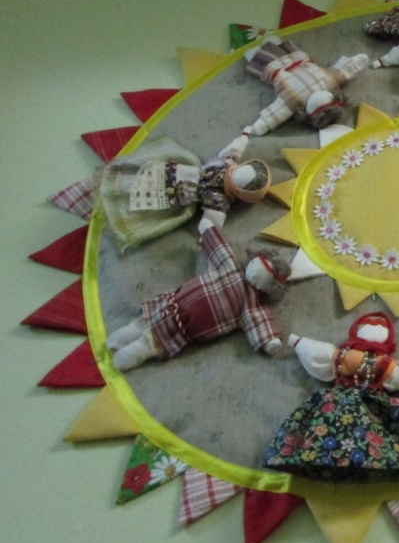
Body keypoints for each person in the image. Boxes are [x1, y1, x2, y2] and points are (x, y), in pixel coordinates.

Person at [261, 312, 399, 479]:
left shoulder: (365, 361)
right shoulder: (353, 358)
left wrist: (299, 342)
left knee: (327, 425)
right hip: (352, 398)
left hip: (347, 400)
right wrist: (299, 343)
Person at [106, 219, 288, 371]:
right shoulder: (230, 264)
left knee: (153, 342)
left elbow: (258, 322)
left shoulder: (251, 304)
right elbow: (219, 248)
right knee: (144, 321)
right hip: (173, 301)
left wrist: (269, 340)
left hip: (184, 327)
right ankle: (128, 333)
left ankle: (138, 350)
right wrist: (208, 230)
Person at [100, 128, 270, 250]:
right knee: (149, 201)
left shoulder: (225, 162)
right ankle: (121, 197)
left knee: (149, 173)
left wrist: (244, 137)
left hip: (180, 171)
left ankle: (121, 181)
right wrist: (208, 237)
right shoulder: (219, 199)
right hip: (177, 193)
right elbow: (212, 220)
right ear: (241, 194)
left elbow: (234, 150)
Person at [245, 38, 369, 134]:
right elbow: (343, 70)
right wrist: (357, 61)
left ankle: (258, 53)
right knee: (277, 45)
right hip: (300, 60)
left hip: (278, 68)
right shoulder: (329, 81)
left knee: (256, 54)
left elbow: (277, 112)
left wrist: (264, 124)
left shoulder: (294, 99)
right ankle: (270, 46)